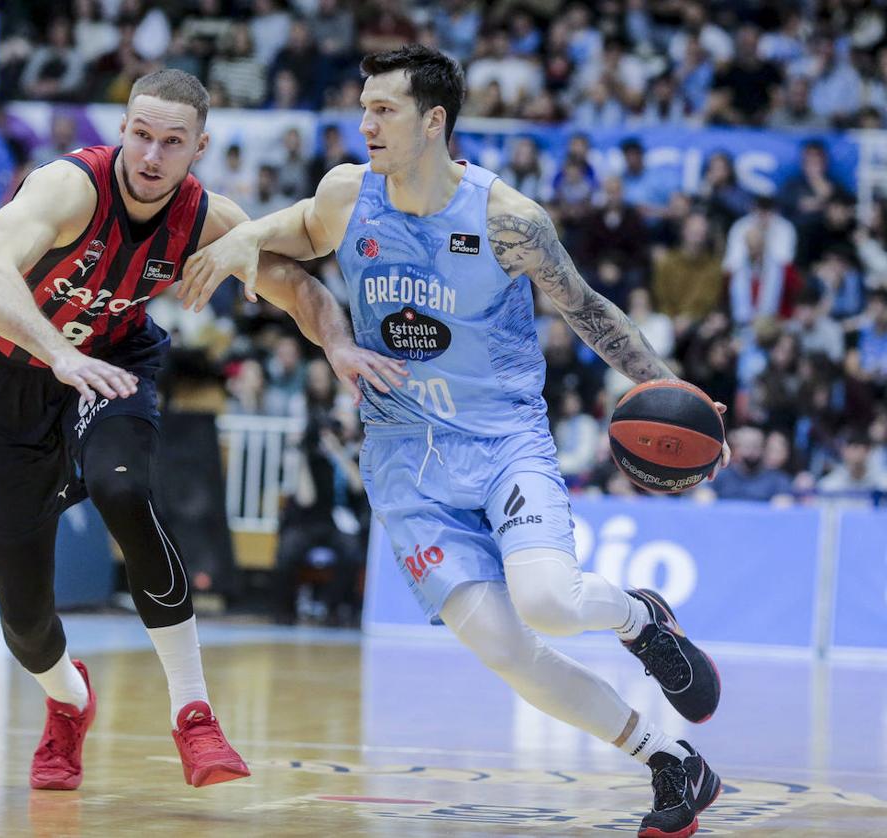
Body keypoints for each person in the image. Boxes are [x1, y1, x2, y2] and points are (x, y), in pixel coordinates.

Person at [181, 46, 731, 838]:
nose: (365, 123)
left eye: (384, 110)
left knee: (549, 601)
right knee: (508, 652)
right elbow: (298, 232)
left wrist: (672, 389)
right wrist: (245, 239)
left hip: (502, 440)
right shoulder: (348, 194)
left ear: (433, 121)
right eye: (364, 107)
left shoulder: (508, 218)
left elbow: (588, 310)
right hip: (405, 461)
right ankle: (672, 763)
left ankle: (641, 621)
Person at [0, 69, 402, 793]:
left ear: (199, 147)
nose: (151, 156)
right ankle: (68, 702)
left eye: (172, 142)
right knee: (27, 622)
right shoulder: (70, 188)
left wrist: (339, 345)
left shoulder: (205, 217)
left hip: (113, 364)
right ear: (122, 130)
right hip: (15, 380)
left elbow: (301, 287)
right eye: (140, 135)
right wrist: (60, 353)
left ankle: (193, 713)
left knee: (122, 490)